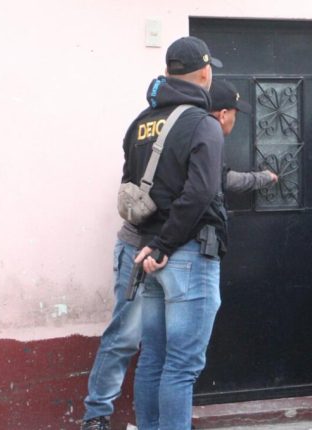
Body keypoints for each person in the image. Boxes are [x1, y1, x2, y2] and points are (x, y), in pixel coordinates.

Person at [81, 36, 224, 430]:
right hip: (186, 255)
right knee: (181, 366)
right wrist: (166, 244)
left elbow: (132, 189)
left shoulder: (140, 124)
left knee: (154, 359)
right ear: (205, 73)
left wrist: (154, 245)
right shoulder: (204, 124)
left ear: (167, 73)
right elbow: (201, 193)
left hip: (147, 257)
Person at [208, 79, 278, 191]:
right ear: (223, 115)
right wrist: (263, 178)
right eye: (235, 114)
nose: (234, 119)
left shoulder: (195, 130)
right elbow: (223, 179)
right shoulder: (206, 139)